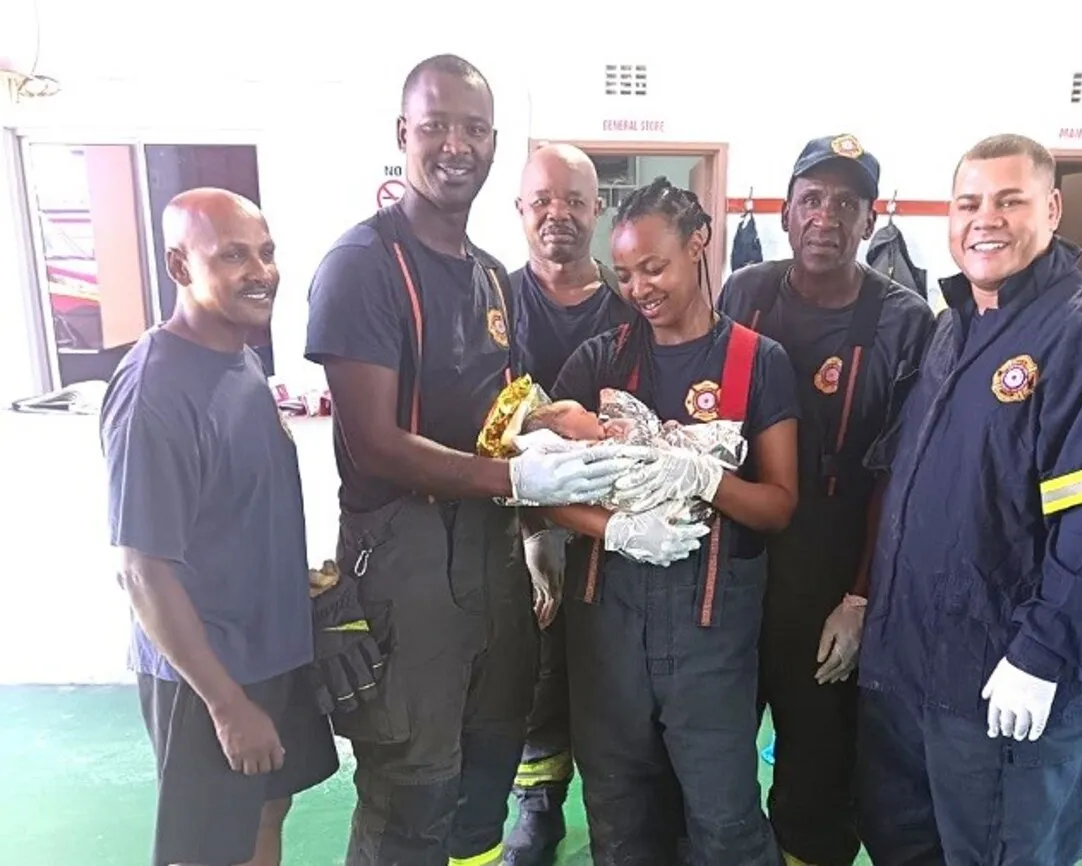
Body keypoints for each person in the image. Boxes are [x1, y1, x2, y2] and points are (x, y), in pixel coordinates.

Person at [303, 55, 654, 866]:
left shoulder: (491, 277)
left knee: (486, 779)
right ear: (403, 136)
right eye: (435, 127)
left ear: (492, 142)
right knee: (413, 792)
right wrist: (518, 480)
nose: (454, 145)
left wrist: (550, 419)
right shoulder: (364, 266)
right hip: (408, 560)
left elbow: (495, 408)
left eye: (471, 129)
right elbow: (375, 443)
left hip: (493, 560)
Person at [855, 133, 1082, 865]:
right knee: (905, 846)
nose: (984, 219)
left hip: (1004, 691)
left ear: (1052, 208)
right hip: (910, 677)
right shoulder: (955, 326)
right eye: (969, 203)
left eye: (1009, 200)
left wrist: (1041, 656)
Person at [543, 176, 800, 865]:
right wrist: (612, 530)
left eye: (653, 267)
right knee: (619, 814)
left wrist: (708, 477)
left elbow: (778, 504)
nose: (639, 288)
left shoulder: (756, 362)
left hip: (710, 636)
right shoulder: (603, 361)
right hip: (606, 628)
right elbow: (537, 487)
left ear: (699, 244)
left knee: (724, 820)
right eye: (624, 273)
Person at [100, 187, 339, 866]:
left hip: (267, 652)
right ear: (180, 266)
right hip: (209, 673)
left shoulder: (238, 357)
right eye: (232, 255)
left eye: (265, 253)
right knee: (208, 850)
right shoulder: (155, 392)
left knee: (267, 809)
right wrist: (227, 705)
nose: (259, 271)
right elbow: (140, 569)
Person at [718, 133, 936, 866]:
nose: (827, 217)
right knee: (709, 755)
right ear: (785, 213)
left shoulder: (907, 323)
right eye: (812, 199)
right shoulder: (743, 293)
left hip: (833, 570)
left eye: (847, 203)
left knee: (817, 775)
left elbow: (900, 478)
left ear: (870, 222)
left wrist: (861, 597)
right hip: (736, 561)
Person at [503, 143, 636, 866]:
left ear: (596, 209)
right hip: (512, 519)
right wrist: (530, 525)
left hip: (612, 533)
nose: (558, 214)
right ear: (520, 209)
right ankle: (538, 803)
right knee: (532, 670)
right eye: (543, 200)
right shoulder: (491, 301)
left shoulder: (628, 309)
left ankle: (622, 806)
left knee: (611, 671)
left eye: (574, 201)